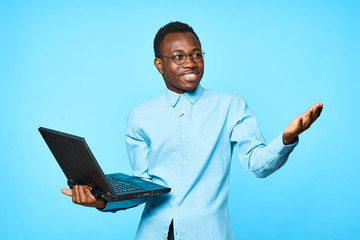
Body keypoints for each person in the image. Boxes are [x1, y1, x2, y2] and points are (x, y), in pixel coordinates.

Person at [61, 22, 323, 239]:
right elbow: (141, 189)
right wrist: (101, 201)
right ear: (159, 65)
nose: (191, 63)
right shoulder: (140, 116)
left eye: (196, 54)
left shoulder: (231, 106)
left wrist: (287, 138)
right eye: (179, 57)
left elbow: (258, 165)